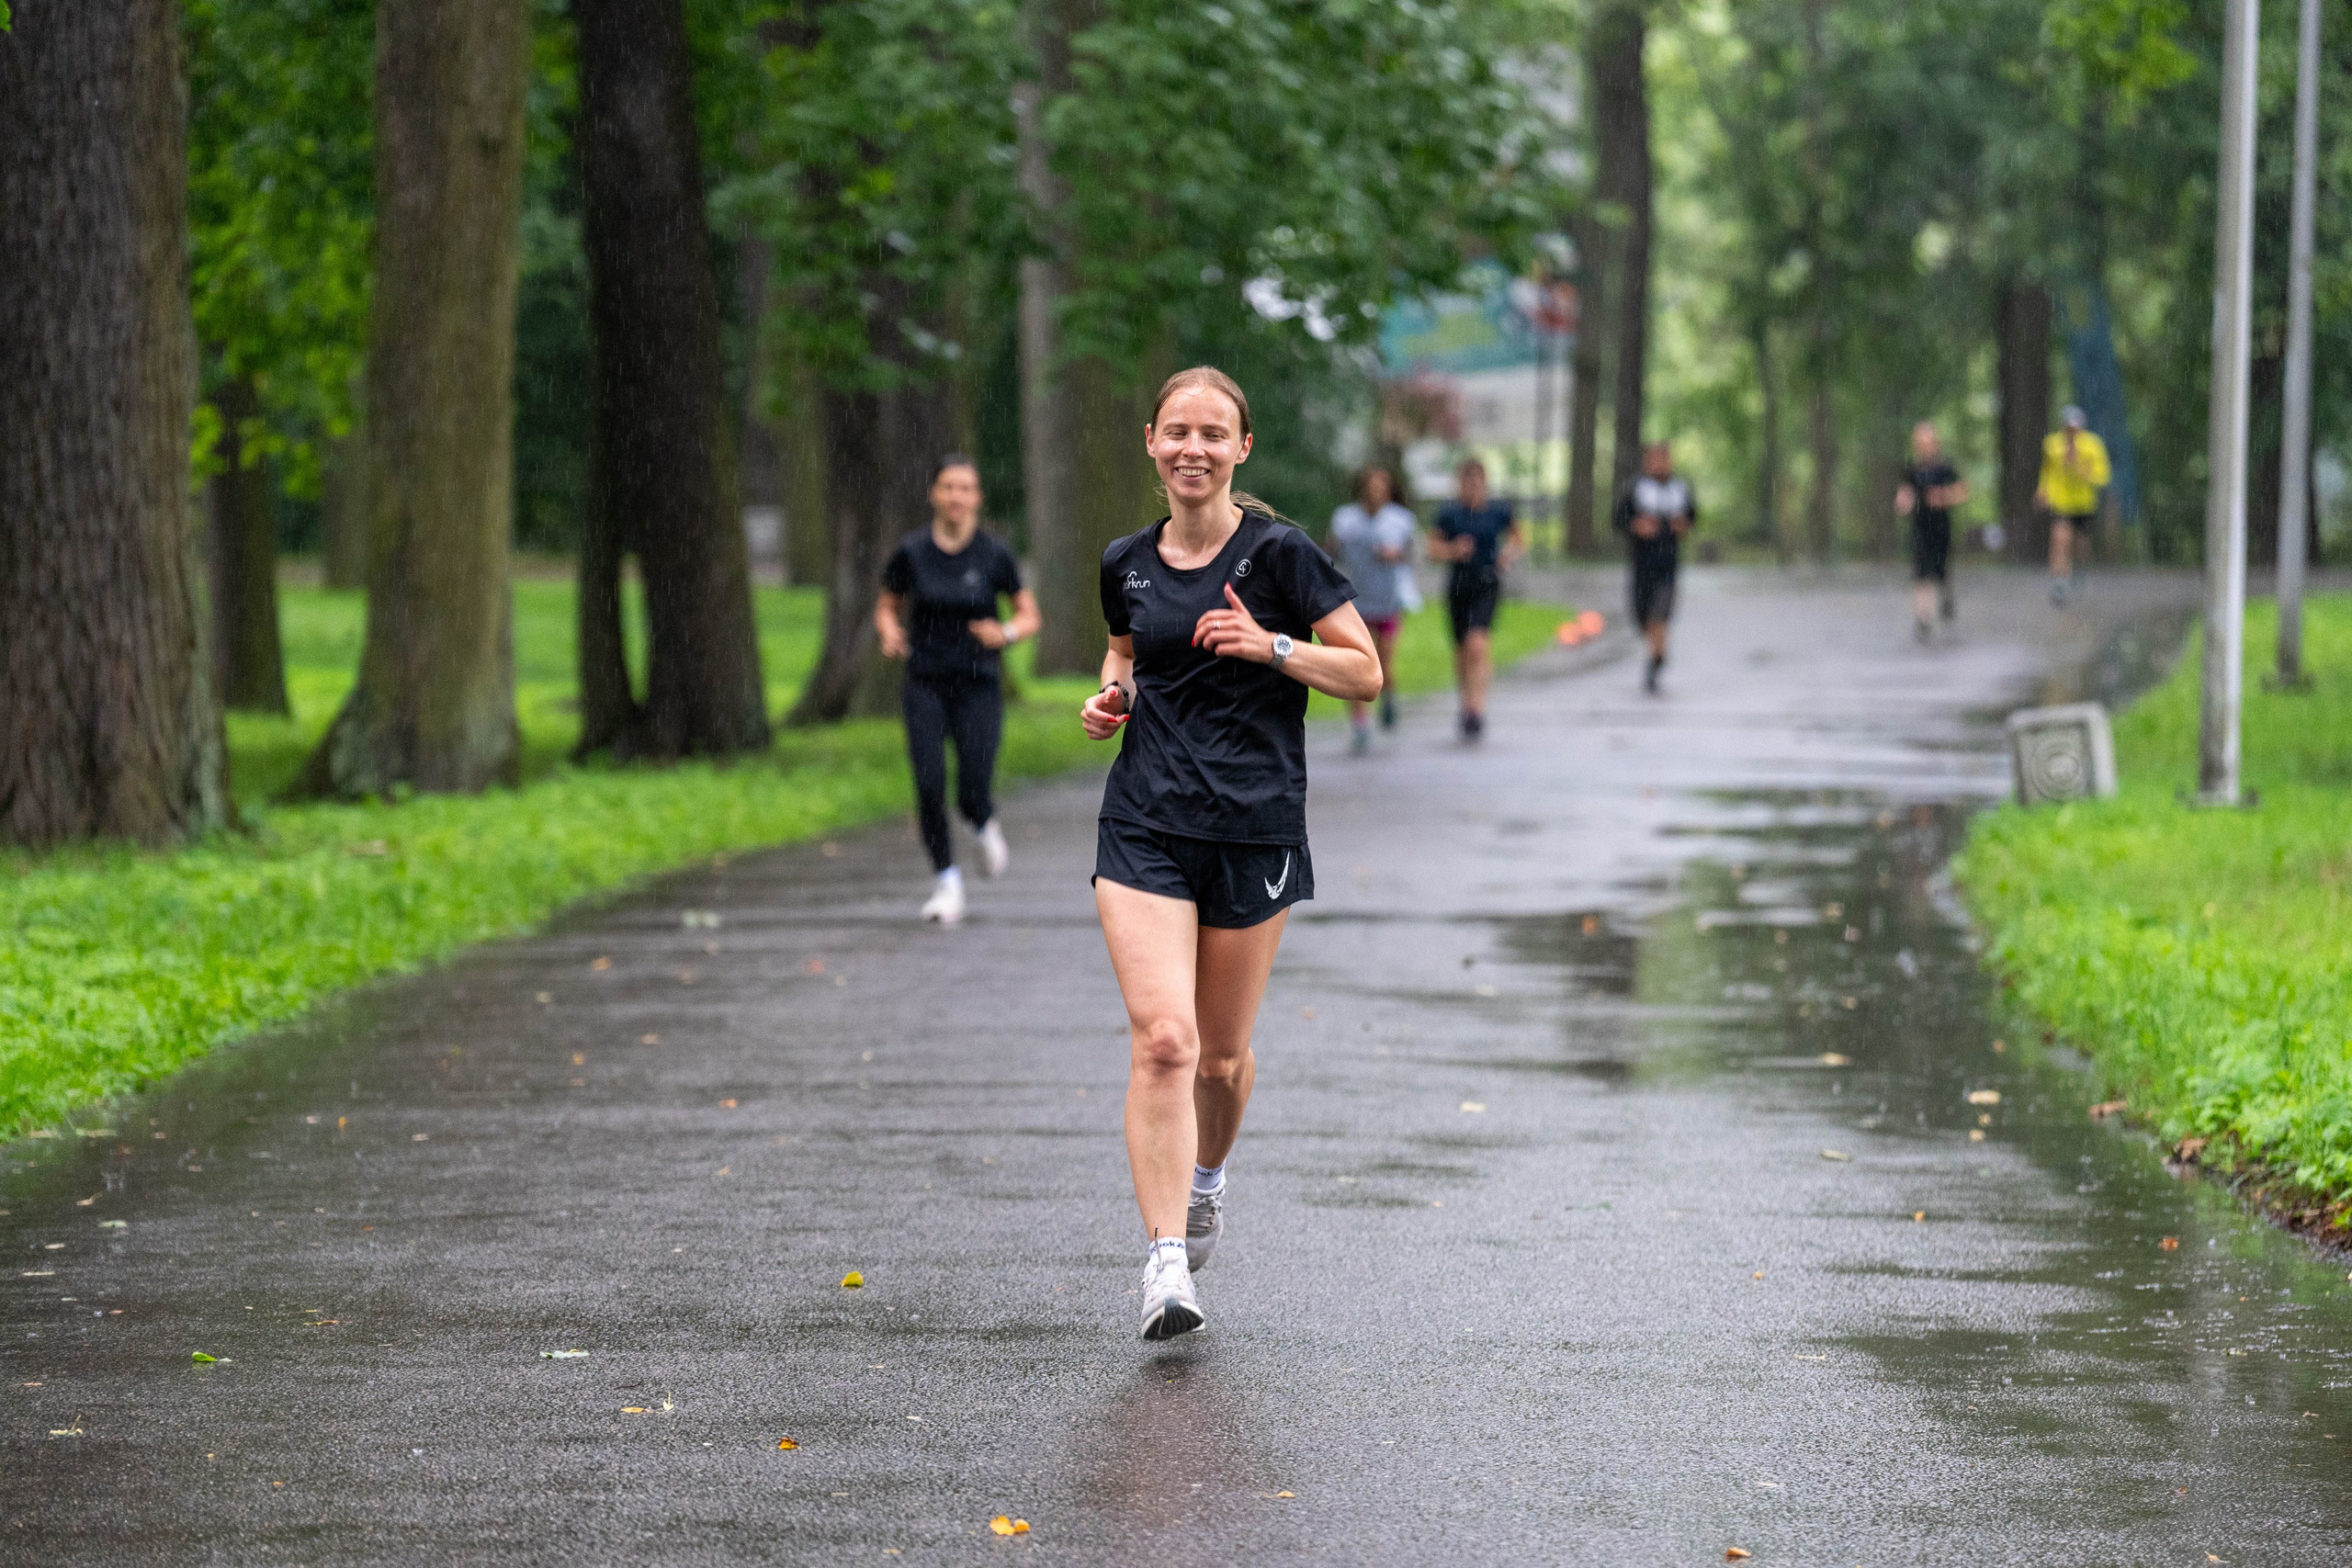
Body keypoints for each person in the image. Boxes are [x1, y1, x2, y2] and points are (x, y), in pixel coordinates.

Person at [1080, 366, 1381, 1340]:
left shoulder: (1282, 558)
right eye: (1177, 432)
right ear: (1150, 442)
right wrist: (1112, 697)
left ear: (1240, 448)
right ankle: (1166, 1263)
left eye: (1212, 433)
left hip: (1252, 826)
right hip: (1145, 823)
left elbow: (1366, 673)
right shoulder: (1124, 560)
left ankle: (1206, 1182)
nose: (1193, 448)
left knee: (1219, 1060)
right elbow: (1127, 652)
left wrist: (1273, 649)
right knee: (1163, 1041)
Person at [876, 457, 1041, 926]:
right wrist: (889, 632)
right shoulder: (912, 552)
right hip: (925, 682)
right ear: (934, 494)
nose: (956, 497)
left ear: (977, 498)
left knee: (972, 785)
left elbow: (1029, 616)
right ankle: (947, 881)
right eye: (948, 487)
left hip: (978, 685)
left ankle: (983, 822)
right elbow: (887, 605)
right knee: (929, 785)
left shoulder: (994, 554)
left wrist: (1005, 634)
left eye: (966, 488)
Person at [1326, 465, 1418, 752]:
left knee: (1384, 662)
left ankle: (1388, 695)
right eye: (1371, 486)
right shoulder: (1345, 519)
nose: (1376, 492)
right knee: (1353, 664)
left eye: (1381, 486)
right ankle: (1359, 723)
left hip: (1388, 602)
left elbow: (1415, 554)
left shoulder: (1401, 520)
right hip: (1354, 601)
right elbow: (1329, 550)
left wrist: (1396, 554)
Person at [1430, 458, 1523, 739]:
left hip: (1487, 582)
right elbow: (1432, 549)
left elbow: (1518, 538)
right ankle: (1466, 702)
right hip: (1458, 584)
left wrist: (1508, 556)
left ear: (1484, 483)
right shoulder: (1449, 513)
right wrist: (1453, 550)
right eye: (1467, 483)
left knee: (1478, 645)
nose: (1472, 488)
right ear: (1459, 484)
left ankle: (1477, 709)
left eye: (1477, 483)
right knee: (1461, 651)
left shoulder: (1497, 510)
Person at [1611, 440, 1697, 694]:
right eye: (1654, 459)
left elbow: (1691, 517)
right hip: (1641, 563)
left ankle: (1655, 661)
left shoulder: (1680, 488)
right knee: (1641, 615)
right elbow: (1619, 519)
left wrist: (1681, 526)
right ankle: (1657, 650)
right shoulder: (1635, 488)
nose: (1658, 464)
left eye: (1663, 459)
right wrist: (1636, 526)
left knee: (1659, 614)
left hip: (1668, 564)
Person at [1894, 421, 1968, 641]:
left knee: (1941, 569)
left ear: (1935, 444)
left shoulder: (1945, 468)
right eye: (1920, 443)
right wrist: (1903, 503)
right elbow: (1904, 494)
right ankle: (1923, 617)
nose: (1924, 447)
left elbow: (1962, 492)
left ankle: (1946, 597)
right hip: (1920, 528)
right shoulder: (1911, 470)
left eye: (1928, 442)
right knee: (1921, 572)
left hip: (1941, 527)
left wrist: (1943, 497)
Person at [2036, 404, 2109, 605]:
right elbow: (2047, 472)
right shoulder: (2052, 445)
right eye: (2068, 428)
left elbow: (2102, 477)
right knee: (2060, 538)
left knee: (2081, 545)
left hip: (2084, 505)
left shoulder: (2093, 446)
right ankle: (2059, 583)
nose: (2072, 433)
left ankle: (2078, 569)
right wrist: (2042, 491)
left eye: (2075, 428)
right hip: (2061, 503)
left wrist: (2080, 469)